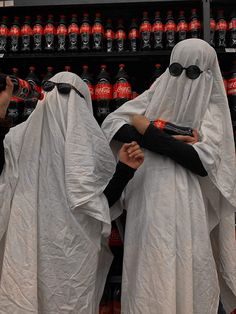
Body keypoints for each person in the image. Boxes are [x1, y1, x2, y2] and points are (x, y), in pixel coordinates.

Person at [102, 38, 236, 314]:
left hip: (189, 204)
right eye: (175, 70)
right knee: (148, 275)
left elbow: (202, 161)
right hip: (147, 198)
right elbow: (112, 124)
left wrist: (147, 129)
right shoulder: (157, 92)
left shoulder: (211, 109)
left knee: (187, 273)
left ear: (207, 73)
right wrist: (172, 138)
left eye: (192, 72)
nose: (181, 79)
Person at [0, 71, 144, 314]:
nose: (59, 98)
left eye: (66, 92)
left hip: (70, 256)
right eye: (52, 90)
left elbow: (98, 206)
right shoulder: (16, 140)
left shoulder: (92, 149)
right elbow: (100, 205)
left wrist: (124, 170)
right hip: (42, 251)